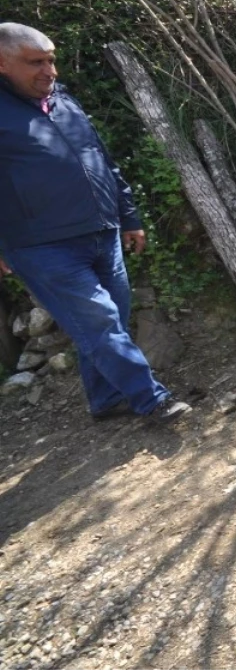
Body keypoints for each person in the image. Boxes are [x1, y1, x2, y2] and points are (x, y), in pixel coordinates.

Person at [0, 23, 190, 424]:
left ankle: (104, 400)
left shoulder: (62, 100)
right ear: (2, 63)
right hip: (42, 246)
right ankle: (151, 400)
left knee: (110, 323)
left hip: (101, 231)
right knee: (100, 323)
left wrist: (128, 215)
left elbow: (100, 158)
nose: (49, 70)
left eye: (51, 59)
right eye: (35, 62)